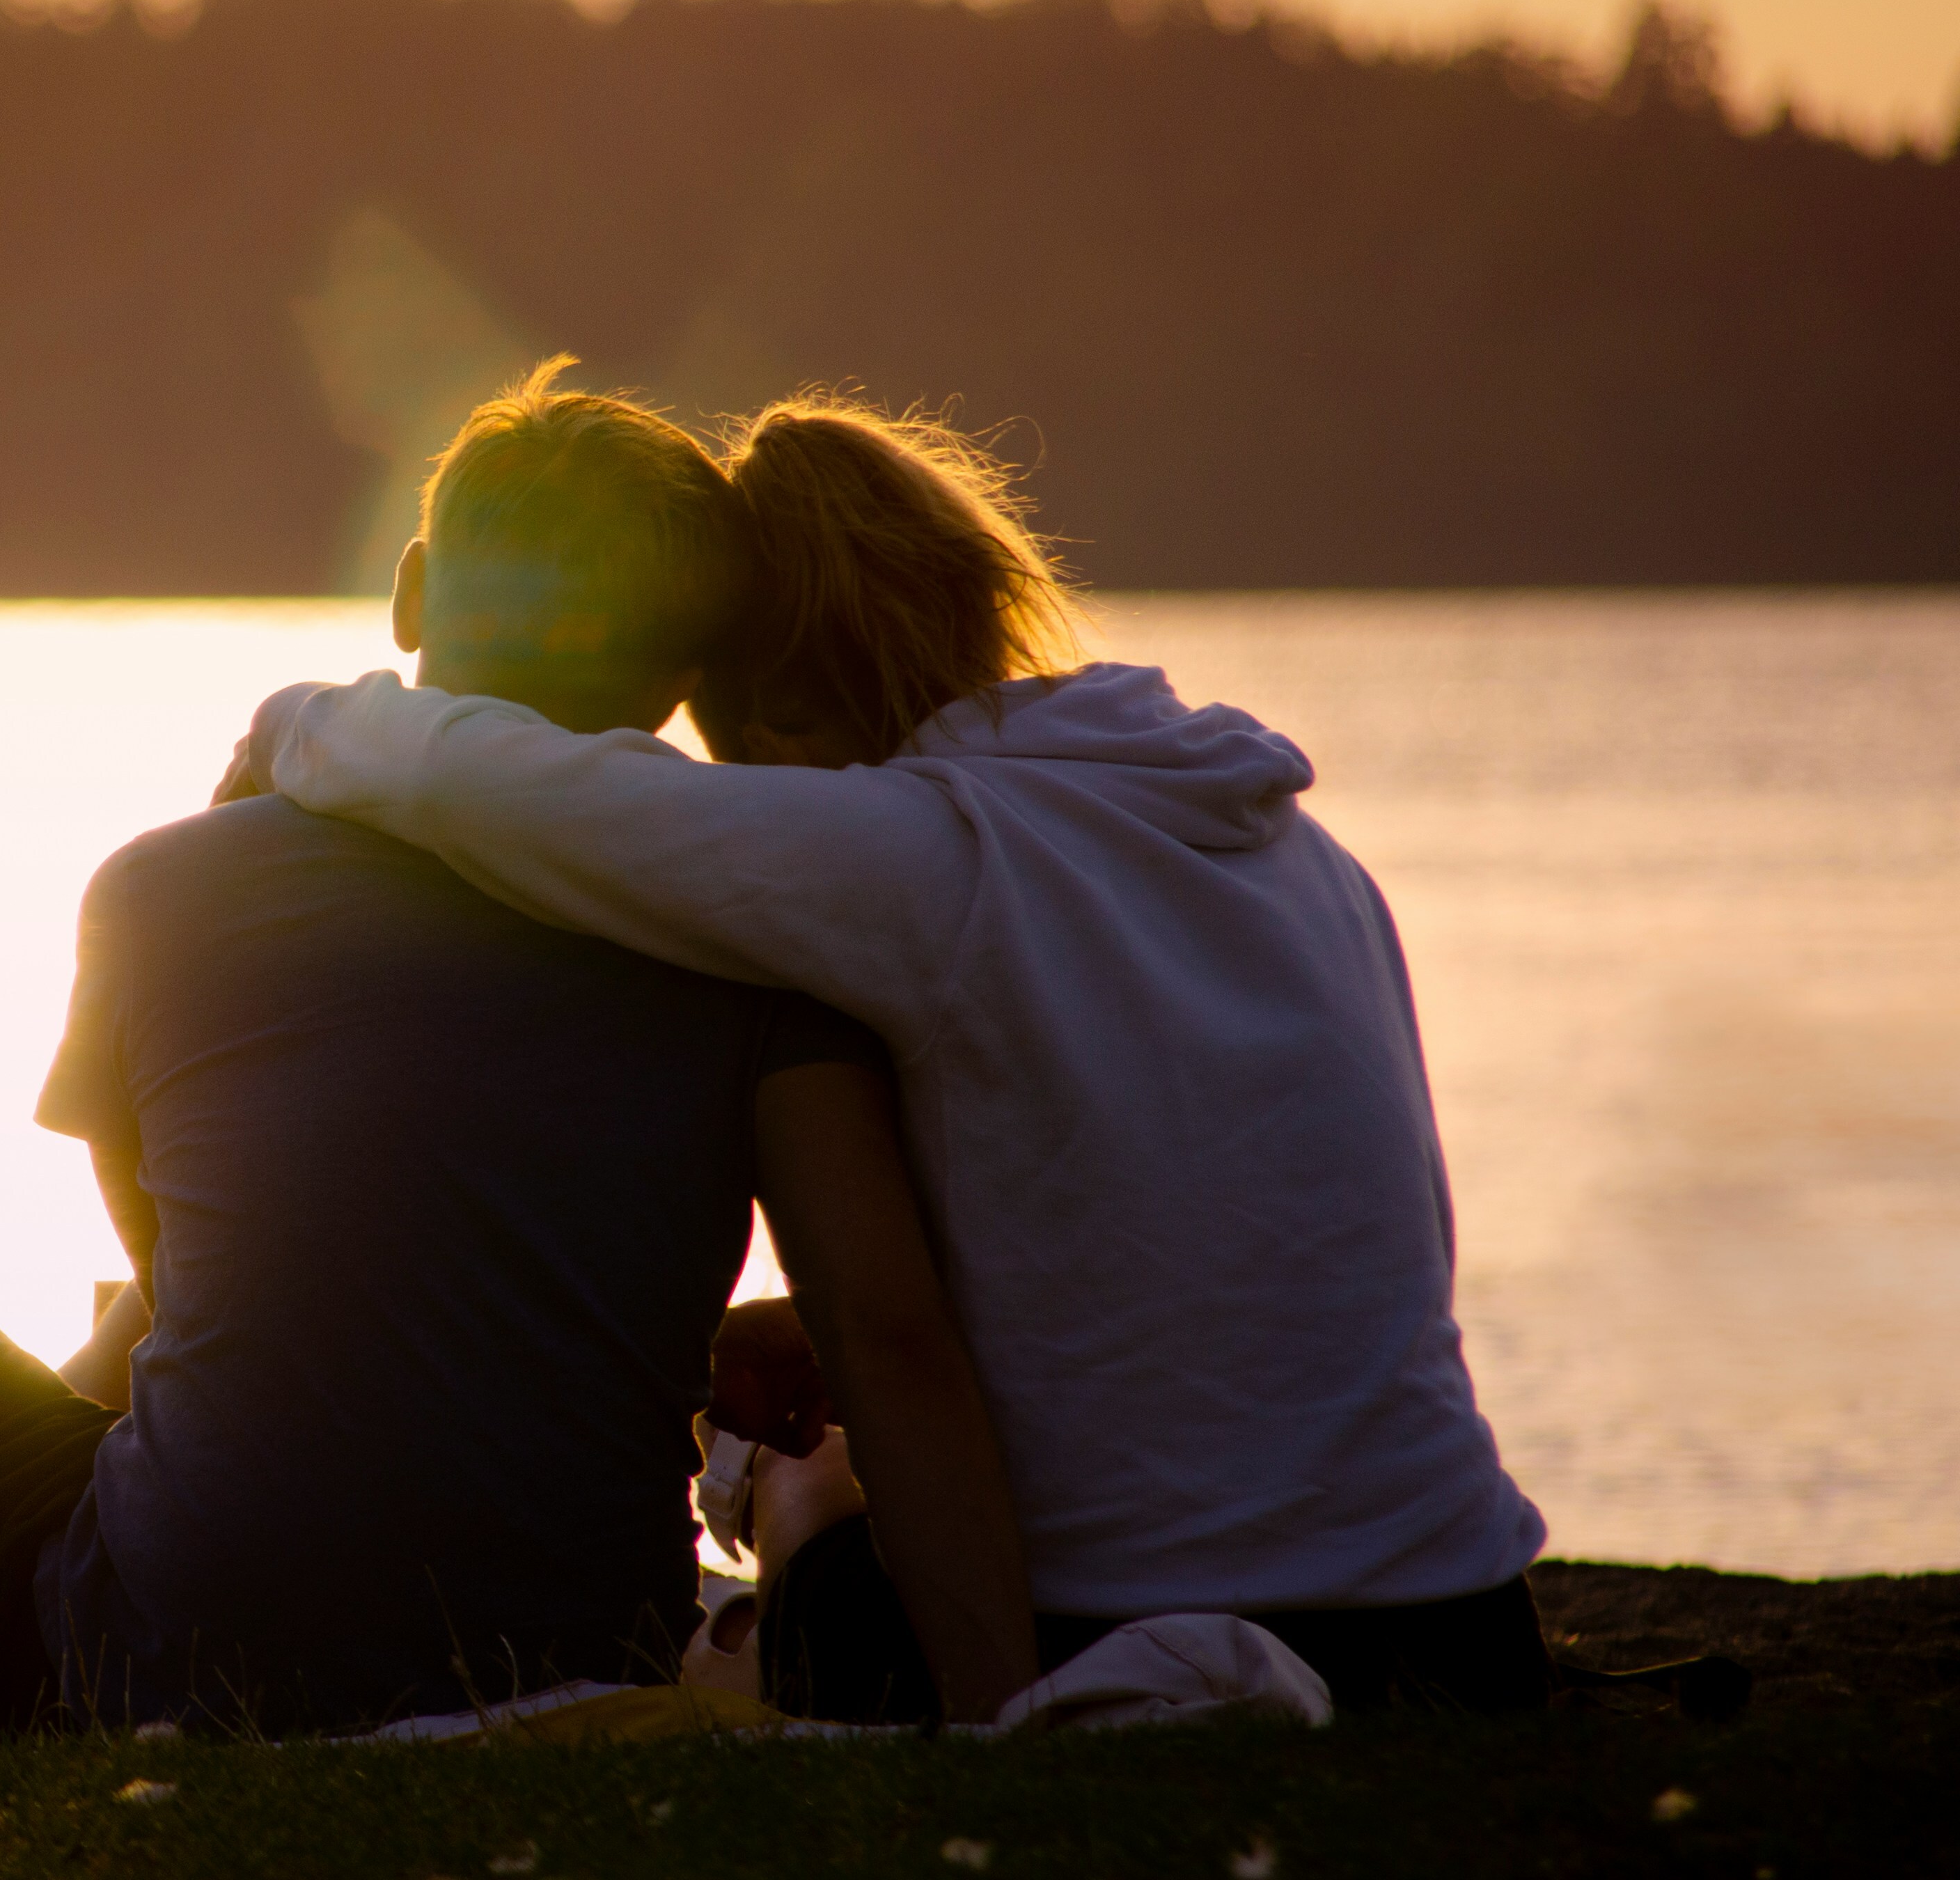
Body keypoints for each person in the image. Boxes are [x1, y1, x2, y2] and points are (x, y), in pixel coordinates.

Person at [0, 368, 1037, 1739]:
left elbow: (199, 1280)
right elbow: (884, 1332)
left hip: (166, 1664)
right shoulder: (760, 935)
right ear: (687, 671)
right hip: (577, 1644)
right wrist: (1004, 1719)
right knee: (116, 1421)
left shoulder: (166, 887)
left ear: (416, 593)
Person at [228, 382, 1555, 1717]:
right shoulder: (1292, 846)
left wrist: (298, 723)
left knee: (805, 1483)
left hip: (1128, 1627)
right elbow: (1236, 1239)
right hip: (1465, 1626)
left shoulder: (919, 852)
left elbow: (509, 790)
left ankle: (792, 1518)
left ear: (782, 709)